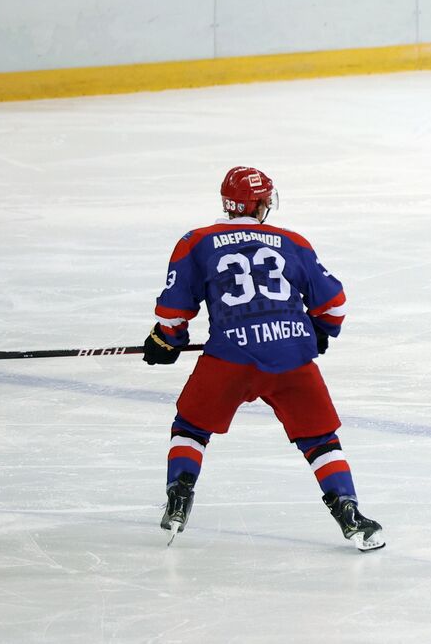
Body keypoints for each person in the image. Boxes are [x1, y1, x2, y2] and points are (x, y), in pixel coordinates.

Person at [142, 166, 385, 550]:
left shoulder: (196, 241)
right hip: (291, 357)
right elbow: (334, 305)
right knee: (319, 439)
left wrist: (167, 340)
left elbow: (174, 310)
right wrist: (318, 330)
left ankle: (178, 497)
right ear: (259, 204)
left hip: (229, 357)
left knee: (191, 428)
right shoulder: (291, 241)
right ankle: (349, 512)